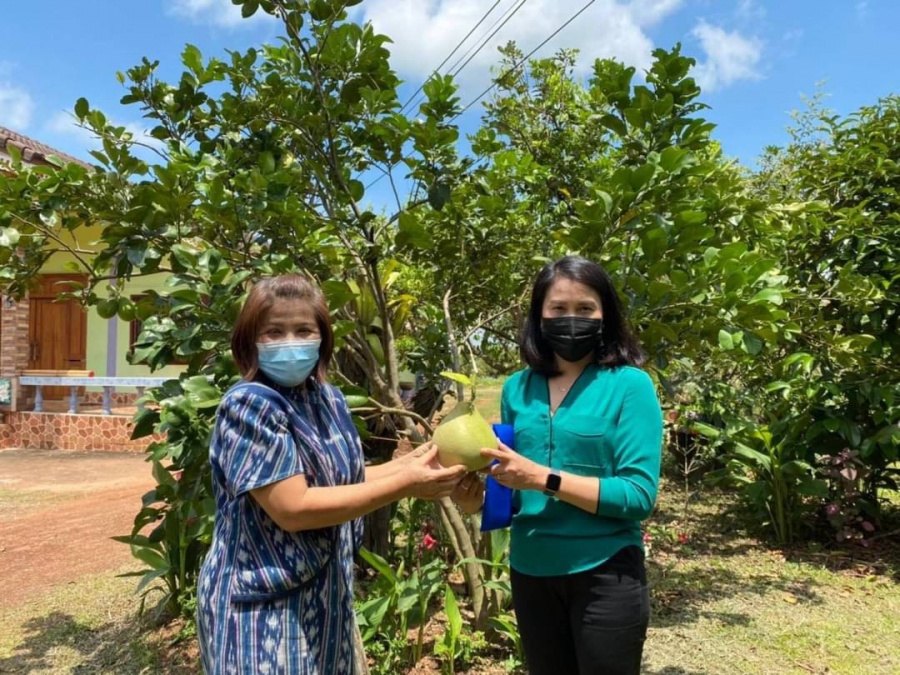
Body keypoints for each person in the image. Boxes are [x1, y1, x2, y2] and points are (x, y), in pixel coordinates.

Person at [197, 274, 466, 675]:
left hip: (325, 599)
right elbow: (294, 508)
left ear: (322, 338)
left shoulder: (328, 399)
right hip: (263, 610)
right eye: (274, 331)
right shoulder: (250, 407)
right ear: (250, 341)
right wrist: (407, 484)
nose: (290, 341)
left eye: (303, 329)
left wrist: (415, 463)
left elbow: (346, 482)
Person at [452, 256, 663, 675]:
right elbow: (511, 495)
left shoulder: (628, 385)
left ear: (606, 316)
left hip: (604, 570)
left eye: (585, 309)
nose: (571, 319)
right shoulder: (518, 388)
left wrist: (543, 478)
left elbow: (638, 495)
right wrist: (474, 501)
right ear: (539, 316)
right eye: (558, 309)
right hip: (531, 571)